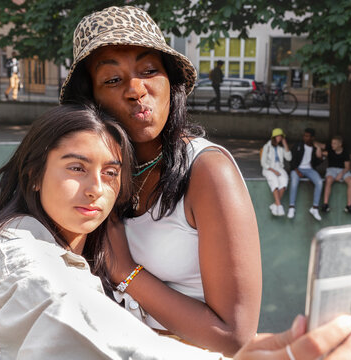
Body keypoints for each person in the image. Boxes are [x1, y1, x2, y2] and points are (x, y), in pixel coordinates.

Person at [0, 104, 351, 360]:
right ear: (33, 175)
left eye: (110, 172)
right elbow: (90, 331)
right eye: (76, 167)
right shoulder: (23, 257)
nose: (95, 189)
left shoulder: (73, 247)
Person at [60, 6, 261, 355]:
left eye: (149, 70)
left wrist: (126, 271)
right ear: (90, 101)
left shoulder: (207, 171)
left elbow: (234, 335)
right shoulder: (102, 174)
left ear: (170, 81)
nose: (136, 90)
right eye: (112, 80)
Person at [287, 128, 324, 220]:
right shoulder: (298, 145)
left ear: (312, 138)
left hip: (309, 170)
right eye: (304, 135)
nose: (305, 137)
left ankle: (314, 208)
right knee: (294, 182)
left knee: (319, 182)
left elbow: (316, 163)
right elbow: (292, 160)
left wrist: (320, 156)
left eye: (307, 136)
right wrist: (297, 170)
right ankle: (291, 207)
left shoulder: (314, 148)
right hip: (297, 169)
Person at [320, 135, 351, 215]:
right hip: (331, 169)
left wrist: (341, 174)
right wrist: (317, 148)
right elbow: (320, 150)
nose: (332, 145)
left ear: (340, 144)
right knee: (329, 180)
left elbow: (347, 167)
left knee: (350, 181)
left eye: (334, 143)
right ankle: (325, 204)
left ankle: (349, 206)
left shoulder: (345, 152)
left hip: (343, 170)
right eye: (332, 143)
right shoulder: (330, 150)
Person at [261, 128, 292, 217]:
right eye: (278, 136)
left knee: (284, 180)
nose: (280, 138)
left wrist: (285, 145)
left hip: (279, 168)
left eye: (281, 137)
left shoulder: (280, 148)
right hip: (269, 169)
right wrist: (273, 171)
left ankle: (275, 204)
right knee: (274, 180)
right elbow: (263, 163)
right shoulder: (266, 147)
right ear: (274, 137)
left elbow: (289, 158)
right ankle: (279, 205)